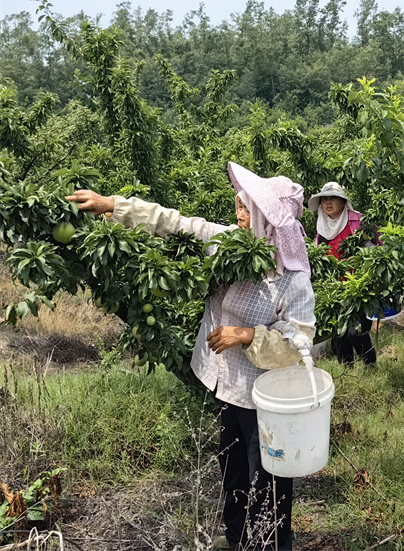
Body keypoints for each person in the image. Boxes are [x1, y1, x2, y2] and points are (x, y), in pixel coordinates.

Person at [68, 163, 314, 551]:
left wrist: (249, 335)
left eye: (246, 208)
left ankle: (272, 542)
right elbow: (180, 223)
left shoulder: (292, 275)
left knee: (268, 472)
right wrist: (113, 205)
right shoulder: (231, 245)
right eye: (238, 204)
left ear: (267, 219)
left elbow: (298, 339)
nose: (238, 213)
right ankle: (236, 537)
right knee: (232, 468)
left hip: (263, 395)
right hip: (225, 384)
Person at [308, 181, 379, 365]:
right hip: (333, 288)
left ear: (343, 202)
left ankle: (369, 363)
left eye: (333, 198)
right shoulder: (322, 226)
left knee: (355, 330)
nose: (328, 203)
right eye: (324, 199)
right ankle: (346, 368)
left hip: (358, 285)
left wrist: (358, 260)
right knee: (338, 331)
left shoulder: (358, 221)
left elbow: (375, 247)